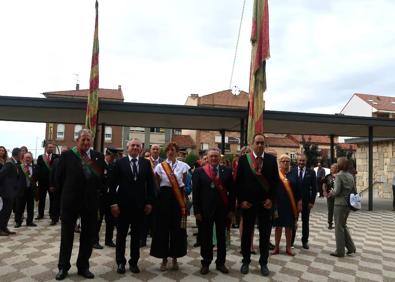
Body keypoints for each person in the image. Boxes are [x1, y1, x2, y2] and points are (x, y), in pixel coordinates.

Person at [55, 129, 105, 280]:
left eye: (88, 140)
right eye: (83, 139)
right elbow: (59, 179)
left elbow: (101, 179)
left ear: (91, 141)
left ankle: (83, 266)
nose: (85, 142)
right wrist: (61, 201)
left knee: (88, 236)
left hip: (90, 203)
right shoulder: (67, 155)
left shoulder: (98, 157)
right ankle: (63, 267)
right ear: (78, 140)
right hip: (70, 202)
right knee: (67, 236)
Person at [110, 138, 155, 274]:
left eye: (138, 146)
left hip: (139, 207)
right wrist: (113, 204)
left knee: (137, 237)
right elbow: (112, 185)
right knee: (121, 236)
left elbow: (150, 185)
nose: (135, 147)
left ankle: (134, 262)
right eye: (133, 145)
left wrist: (149, 202)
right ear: (127, 148)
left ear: (141, 149)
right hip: (122, 207)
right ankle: (120, 262)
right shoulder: (119, 163)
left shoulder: (146, 164)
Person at [236, 133, 279, 276]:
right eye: (257, 143)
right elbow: (239, 183)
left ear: (265, 145)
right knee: (247, 234)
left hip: (265, 205)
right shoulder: (243, 160)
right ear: (253, 144)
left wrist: (271, 200)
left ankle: (264, 263)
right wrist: (241, 200)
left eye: (262, 143)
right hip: (248, 204)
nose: (260, 145)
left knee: (265, 235)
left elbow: (275, 183)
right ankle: (246, 261)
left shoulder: (272, 160)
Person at [192, 148, 235, 275]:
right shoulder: (199, 172)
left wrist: (232, 209)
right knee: (206, 237)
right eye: (212, 156)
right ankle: (206, 262)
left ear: (220, 158)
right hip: (205, 211)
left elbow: (232, 193)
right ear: (207, 157)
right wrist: (197, 210)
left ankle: (221, 263)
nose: (214, 158)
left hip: (223, 210)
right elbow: (196, 193)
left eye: (216, 156)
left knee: (221, 238)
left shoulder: (227, 171)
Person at [150, 142, 190, 271]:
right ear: (166, 152)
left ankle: (175, 258)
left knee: (177, 230)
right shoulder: (160, 166)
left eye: (173, 150)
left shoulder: (184, 166)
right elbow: (156, 185)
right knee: (162, 229)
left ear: (177, 152)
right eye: (168, 150)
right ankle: (163, 259)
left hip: (178, 200)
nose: (171, 152)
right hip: (164, 199)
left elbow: (183, 184)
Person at [272, 154, 301, 256]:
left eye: (287, 161)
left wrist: (299, 203)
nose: (285, 163)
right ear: (279, 163)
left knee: (289, 227)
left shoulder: (294, 175)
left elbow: (298, 191)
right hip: (278, 205)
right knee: (278, 227)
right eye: (283, 161)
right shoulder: (275, 175)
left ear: (290, 163)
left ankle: (288, 248)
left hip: (290, 206)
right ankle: (276, 247)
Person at [328, 157, 356, 257]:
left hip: (339, 204)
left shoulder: (339, 176)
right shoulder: (351, 175)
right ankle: (351, 248)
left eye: (338, 163)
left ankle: (340, 251)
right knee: (343, 225)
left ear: (340, 165)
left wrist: (331, 193)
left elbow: (337, 191)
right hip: (348, 204)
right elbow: (354, 189)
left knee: (339, 228)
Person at [290, 153, 317, 250]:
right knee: (293, 221)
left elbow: (314, 188)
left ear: (306, 161)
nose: (301, 162)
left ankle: (305, 241)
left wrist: (312, 202)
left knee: (305, 222)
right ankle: (291, 241)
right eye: (300, 160)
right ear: (297, 161)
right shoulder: (292, 171)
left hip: (306, 202)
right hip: (294, 201)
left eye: (303, 160)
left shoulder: (311, 172)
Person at [0, 148, 22, 236]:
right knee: (5, 211)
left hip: (11, 192)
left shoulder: (14, 163)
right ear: (17, 154)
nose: (22, 155)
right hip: (6, 192)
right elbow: (1, 174)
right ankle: (0, 229)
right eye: (21, 153)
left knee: (8, 211)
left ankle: (4, 227)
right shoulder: (9, 163)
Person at [36, 142, 59, 223]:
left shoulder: (56, 157)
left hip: (51, 183)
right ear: (46, 148)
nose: (51, 149)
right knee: (41, 199)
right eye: (49, 147)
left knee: (53, 199)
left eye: (52, 147)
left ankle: (52, 214)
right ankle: (40, 214)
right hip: (42, 182)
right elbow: (38, 169)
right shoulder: (40, 157)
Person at [14, 151, 37, 228]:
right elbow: (15, 179)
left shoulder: (35, 167)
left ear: (31, 159)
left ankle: (30, 221)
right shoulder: (19, 167)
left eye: (29, 157)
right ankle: (18, 222)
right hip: (21, 190)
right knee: (19, 207)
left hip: (31, 190)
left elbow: (36, 179)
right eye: (26, 157)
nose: (27, 159)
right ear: (23, 158)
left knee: (31, 207)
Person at [49, 146, 69, 226]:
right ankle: (54, 219)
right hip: (57, 186)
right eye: (62, 151)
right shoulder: (56, 161)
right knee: (55, 203)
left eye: (65, 151)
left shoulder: (71, 161)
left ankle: (65, 218)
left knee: (66, 203)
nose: (63, 153)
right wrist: (51, 185)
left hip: (67, 186)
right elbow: (52, 173)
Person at [323, 164, 337, 229]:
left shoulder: (339, 176)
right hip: (329, 196)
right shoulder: (327, 176)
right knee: (330, 210)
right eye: (330, 168)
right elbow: (324, 184)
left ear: (336, 169)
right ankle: (330, 224)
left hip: (337, 197)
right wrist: (324, 191)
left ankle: (338, 224)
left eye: (333, 168)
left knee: (337, 211)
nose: (331, 169)